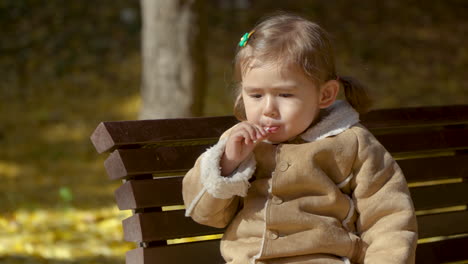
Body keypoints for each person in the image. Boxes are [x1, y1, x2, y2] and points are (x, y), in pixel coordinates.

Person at [182, 12, 417, 264]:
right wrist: (227, 163)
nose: (268, 109)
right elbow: (205, 214)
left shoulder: (352, 143)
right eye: (256, 95)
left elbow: (388, 218)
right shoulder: (239, 143)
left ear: (325, 94)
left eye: (284, 95)